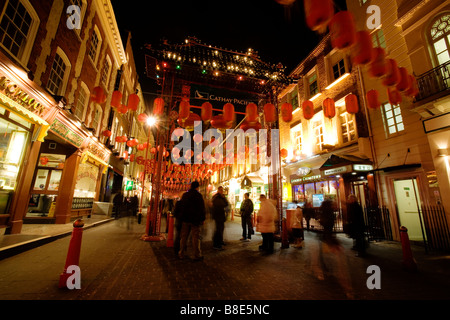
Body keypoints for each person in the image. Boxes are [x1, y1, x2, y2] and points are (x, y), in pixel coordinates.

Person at [178, 181, 206, 261]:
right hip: (195, 220)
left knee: (184, 237)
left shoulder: (185, 195)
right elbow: (202, 208)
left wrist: (182, 217)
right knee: (195, 237)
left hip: (186, 219)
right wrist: (202, 218)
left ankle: (181, 253)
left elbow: (182, 207)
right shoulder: (198, 196)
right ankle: (196, 254)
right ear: (197, 187)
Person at [211, 186, 229, 250]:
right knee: (218, 230)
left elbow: (226, 203)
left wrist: (224, 198)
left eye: (222, 190)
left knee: (221, 229)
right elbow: (220, 205)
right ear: (218, 190)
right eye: (220, 190)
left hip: (221, 216)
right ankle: (216, 244)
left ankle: (220, 241)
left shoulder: (222, 197)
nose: (222, 191)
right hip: (218, 216)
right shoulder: (216, 197)